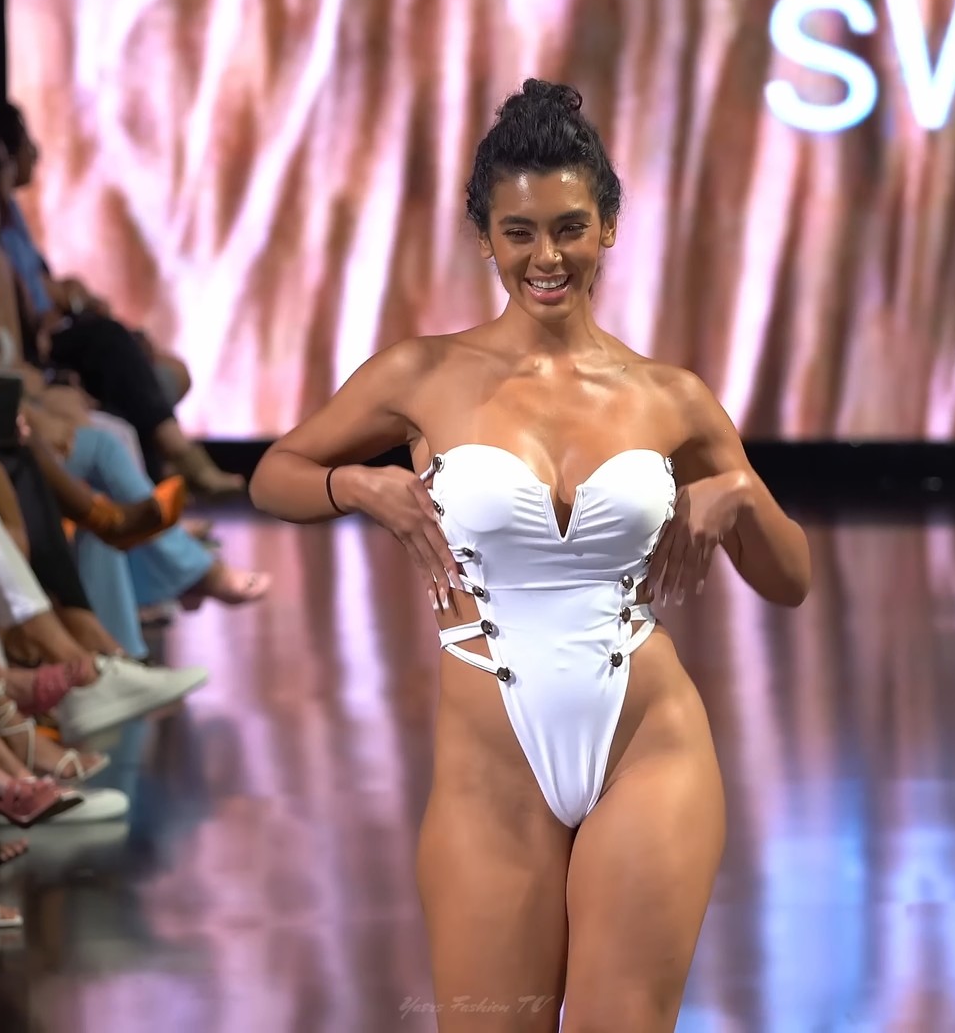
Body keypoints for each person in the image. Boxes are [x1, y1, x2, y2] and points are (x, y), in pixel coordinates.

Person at [249, 79, 811, 1029]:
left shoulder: (670, 396)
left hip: (648, 743)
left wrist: (743, 495)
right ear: (485, 238)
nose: (546, 257)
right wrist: (357, 486)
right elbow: (274, 475)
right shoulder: (423, 373)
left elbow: (790, 581)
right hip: (490, 767)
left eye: (569, 228)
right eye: (519, 233)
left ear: (608, 227)